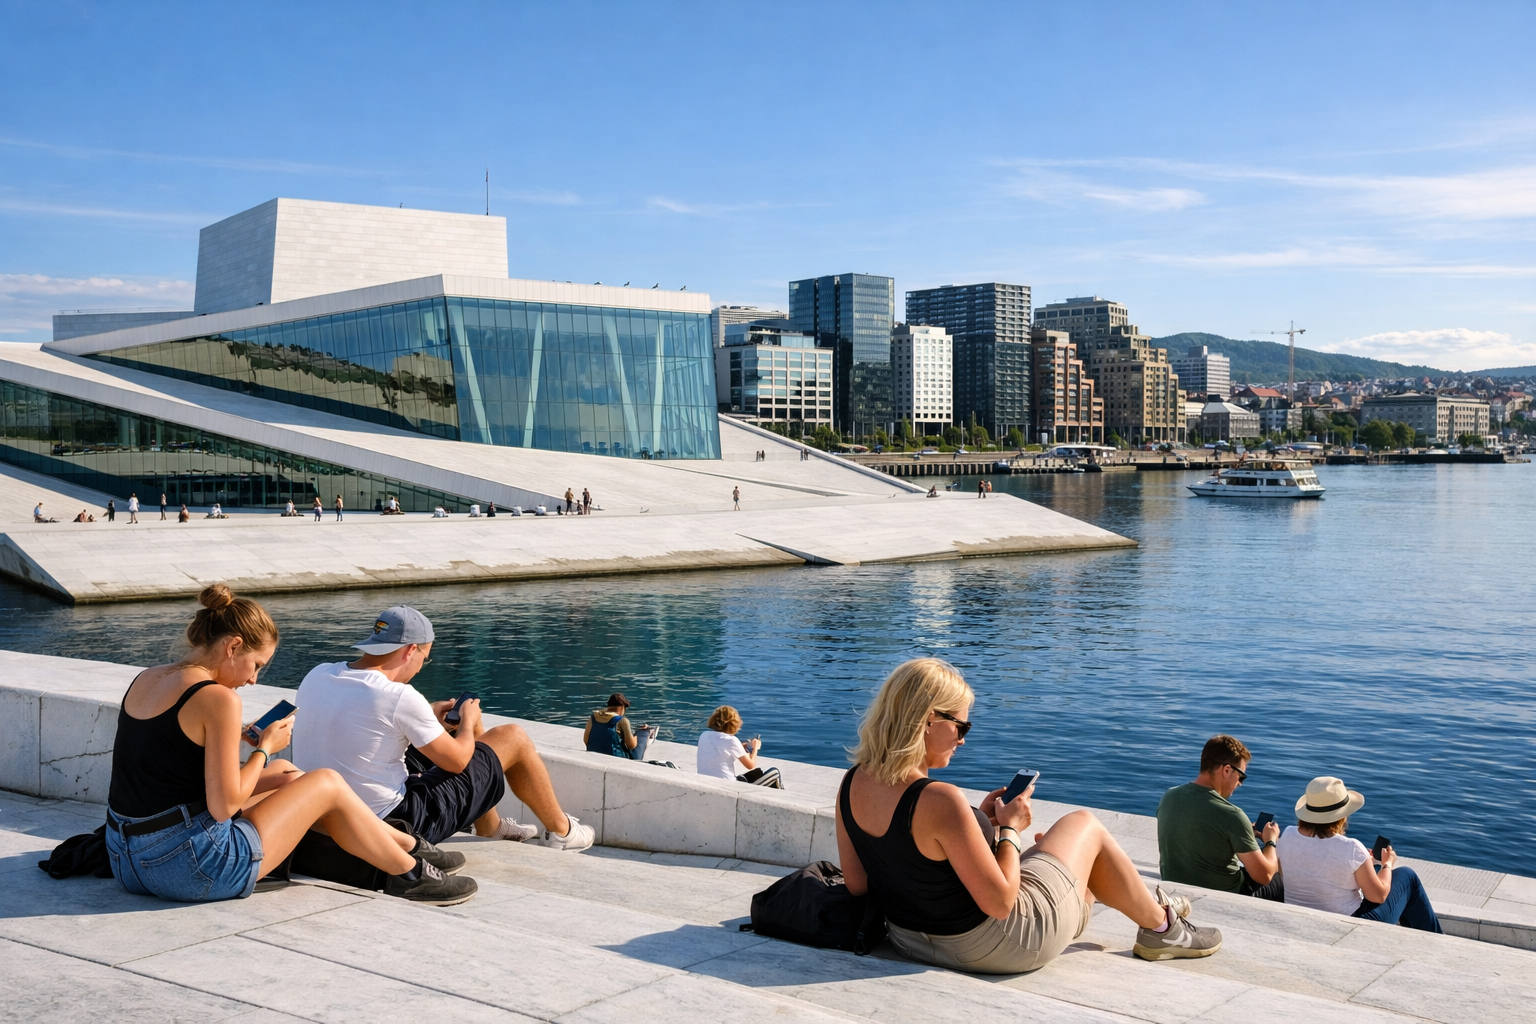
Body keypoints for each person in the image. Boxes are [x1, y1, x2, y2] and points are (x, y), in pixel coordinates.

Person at [837, 658, 1220, 974]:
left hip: (909, 941)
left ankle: (1132, 907)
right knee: (1084, 826)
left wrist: (977, 824)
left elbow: (858, 884)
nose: (963, 738)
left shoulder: (852, 783)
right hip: (994, 947)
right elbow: (1001, 904)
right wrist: (1008, 829)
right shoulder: (941, 799)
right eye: (960, 725)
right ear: (927, 721)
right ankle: (1164, 928)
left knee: (1080, 874)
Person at [103, 584, 476, 905]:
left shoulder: (147, 678)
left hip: (125, 859)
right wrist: (265, 747)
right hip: (189, 869)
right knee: (325, 782)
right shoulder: (219, 699)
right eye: (257, 665)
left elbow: (166, 760)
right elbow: (223, 807)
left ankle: (409, 845)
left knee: (286, 774)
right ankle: (410, 874)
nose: (253, 680)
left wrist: (243, 740)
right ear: (234, 646)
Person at [293, 606, 594, 851]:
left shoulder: (318, 674)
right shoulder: (398, 696)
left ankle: (489, 827)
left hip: (323, 814)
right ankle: (563, 832)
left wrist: (430, 718)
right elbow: (459, 761)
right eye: (425, 657)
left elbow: (366, 728)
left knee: (450, 734)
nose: (422, 667)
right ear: (410, 650)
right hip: (396, 822)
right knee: (512, 737)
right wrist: (467, 720)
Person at [1277, 776, 1442, 932]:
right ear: (1341, 817)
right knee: (1407, 877)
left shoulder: (1288, 835)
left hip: (1298, 916)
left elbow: (1297, 873)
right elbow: (1378, 896)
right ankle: (1435, 940)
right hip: (1347, 926)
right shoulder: (1351, 848)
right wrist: (1387, 864)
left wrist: (1362, 863)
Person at [1156, 735, 1282, 900]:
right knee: (1277, 877)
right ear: (1227, 770)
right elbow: (1264, 875)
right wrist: (1270, 841)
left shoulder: (1169, 796)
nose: (1240, 784)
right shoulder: (1233, 815)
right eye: (1241, 776)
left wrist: (1242, 833)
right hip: (1222, 893)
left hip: (1174, 886)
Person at [697, 705, 781, 788]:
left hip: (705, 781)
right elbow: (750, 765)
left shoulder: (704, 735)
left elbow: (719, 749)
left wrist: (740, 747)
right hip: (727, 784)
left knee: (756, 774)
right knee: (775, 772)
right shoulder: (732, 740)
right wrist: (755, 748)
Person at [584, 693, 655, 761]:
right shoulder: (622, 720)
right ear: (622, 708)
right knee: (640, 737)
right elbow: (631, 746)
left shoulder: (592, 717)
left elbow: (586, 740)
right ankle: (647, 733)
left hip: (594, 754)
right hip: (616, 758)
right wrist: (636, 736)